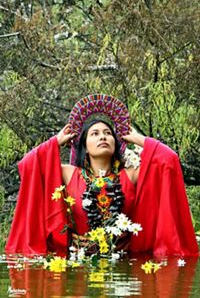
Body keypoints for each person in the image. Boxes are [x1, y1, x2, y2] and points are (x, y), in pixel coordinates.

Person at [5, 94, 199, 257]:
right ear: (85, 146)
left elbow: (169, 161)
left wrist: (139, 139)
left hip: (124, 262)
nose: (103, 137)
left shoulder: (130, 176)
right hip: (78, 264)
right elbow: (29, 165)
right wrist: (56, 142)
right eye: (95, 134)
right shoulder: (69, 173)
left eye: (108, 133)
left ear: (116, 142)